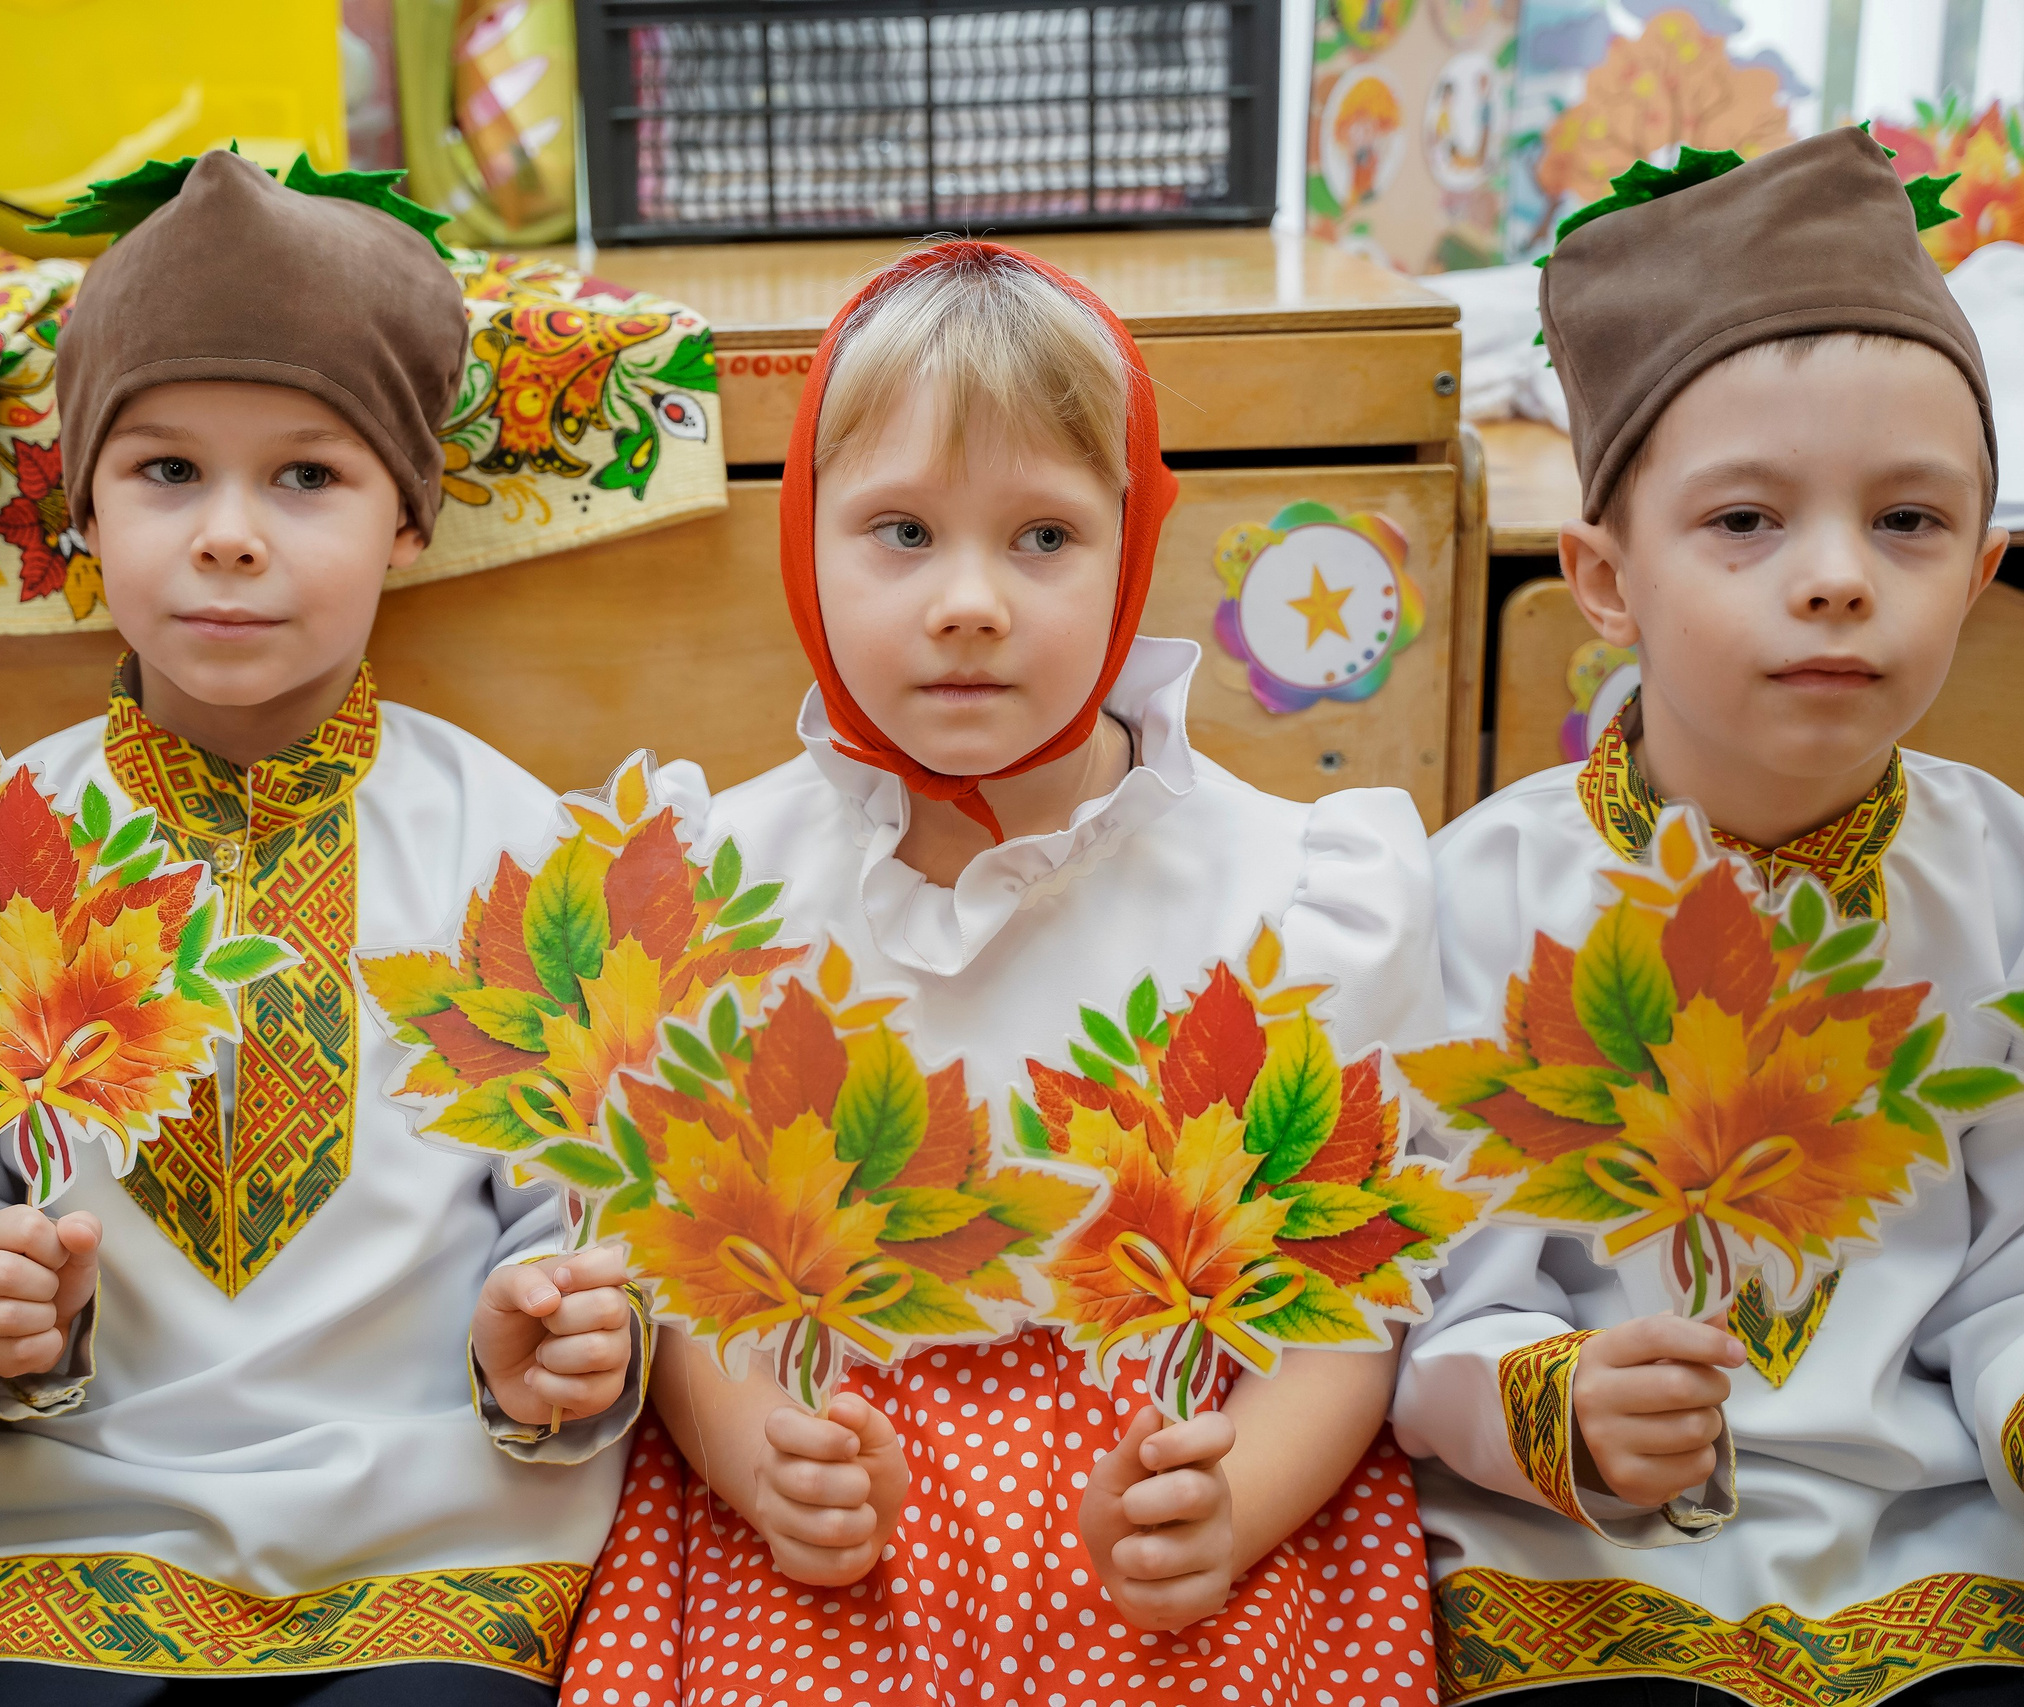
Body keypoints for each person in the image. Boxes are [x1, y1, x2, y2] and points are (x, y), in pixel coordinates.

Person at [562, 240, 1446, 1707]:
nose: (970, 601)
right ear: (804, 540)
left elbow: (1350, 1303)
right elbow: (670, 1264)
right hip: (822, 1505)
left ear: (1130, 548)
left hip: (1177, 1489)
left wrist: (1232, 1505)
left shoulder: (1297, 894)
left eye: (1043, 536)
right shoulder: (708, 883)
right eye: (901, 531)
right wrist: (758, 1456)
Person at [0, 149, 642, 1706]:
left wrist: (553, 1338)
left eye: (306, 477)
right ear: (83, 507)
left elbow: (580, 1210)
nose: (228, 534)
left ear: (408, 517)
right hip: (71, 1539)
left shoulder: (516, 846)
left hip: (442, 1544)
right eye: (166, 472)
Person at [1397, 128, 2024, 1706]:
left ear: (1981, 572)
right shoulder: (1482, 892)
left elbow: (2013, 1267)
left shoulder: (2005, 878)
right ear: (1606, 578)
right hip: (1580, 1557)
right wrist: (1559, 1404)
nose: (1837, 578)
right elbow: (1436, 1293)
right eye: (1746, 521)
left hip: (1935, 1535)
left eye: (1909, 522)